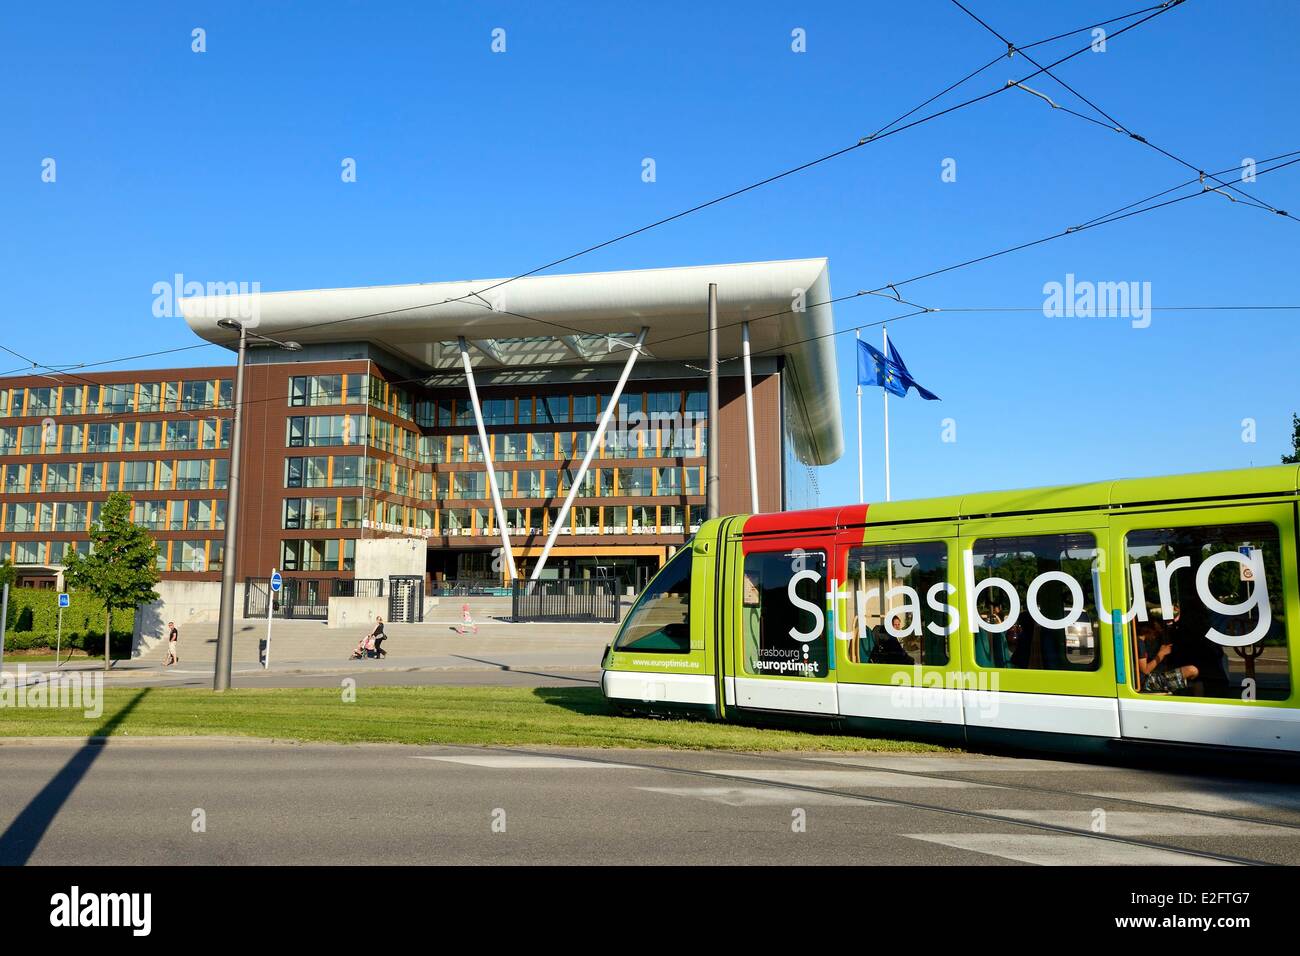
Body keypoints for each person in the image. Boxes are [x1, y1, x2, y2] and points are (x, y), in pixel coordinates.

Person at [1135, 619, 1199, 694]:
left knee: (1197, 682)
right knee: (1192, 670)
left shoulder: (1141, 642)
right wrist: (1161, 654)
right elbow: (1145, 670)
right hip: (1147, 682)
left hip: (1150, 677)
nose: (1155, 636)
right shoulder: (1139, 644)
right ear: (1147, 630)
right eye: (1155, 633)